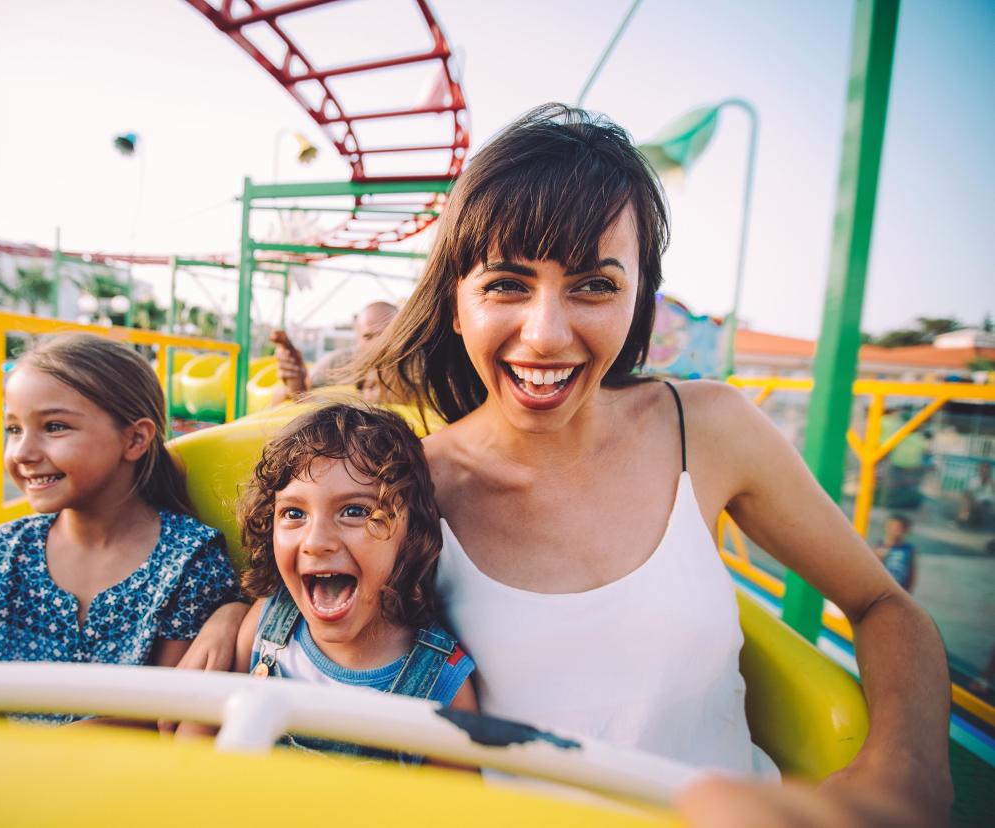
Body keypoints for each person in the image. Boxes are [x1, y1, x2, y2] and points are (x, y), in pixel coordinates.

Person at [188, 104, 951, 824]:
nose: (547, 334)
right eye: (507, 285)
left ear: (639, 300)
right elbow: (317, 606)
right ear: (456, 304)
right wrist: (231, 615)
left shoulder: (708, 429)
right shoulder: (405, 487)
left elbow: (886, 608)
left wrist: (904, 771)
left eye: (593, 286)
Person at [0, 333, 241, 724]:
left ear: (135, 439)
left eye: (54, 427)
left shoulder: (189, 559)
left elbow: (165, 719)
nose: (22, 453)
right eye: (14, 429)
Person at [230, 402, 477, 762]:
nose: (316, 542)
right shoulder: (265, 624)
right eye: (294, 513)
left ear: (411, 532)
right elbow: (201, 735)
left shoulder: (440, 681)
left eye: (355, 511)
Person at [270, 301, 399, 404]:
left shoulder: (415, 368)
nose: (378, 344)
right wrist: (296, 385)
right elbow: (285, 400)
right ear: (357, 335)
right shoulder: (338, 363)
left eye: (386, 334)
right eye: (368, 337)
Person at [874, 515, 916, 592]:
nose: (894, 530)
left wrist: (908, 590)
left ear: (906, 530)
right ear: (886, 527)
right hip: (881, 588)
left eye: (898, 528)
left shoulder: (908, 549)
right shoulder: (879, 546)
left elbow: (912, 572)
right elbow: (873, 569)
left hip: (900, 588)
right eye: (891, 527)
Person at [956, 460, 993, 527]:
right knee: (967, 500)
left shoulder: (992, 483)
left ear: (989, 471)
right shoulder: (974, 481)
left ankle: (961, 520)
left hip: (986, 504)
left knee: (969, 502)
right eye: (981, 470)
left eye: (985, 470)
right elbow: (967, 493)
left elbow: (991, 498)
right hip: (974, 502)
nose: (983, 472)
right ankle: (961, 520)